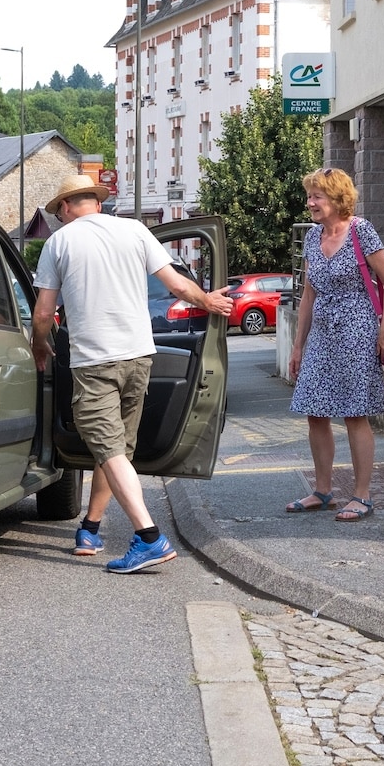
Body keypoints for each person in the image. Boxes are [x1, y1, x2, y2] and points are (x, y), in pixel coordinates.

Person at [30, 173, 234, 572]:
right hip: (140, 357)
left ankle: (149, 537)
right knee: (118, 449)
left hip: (94, 361)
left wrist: (40, 343)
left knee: (107, 449)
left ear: (68, 207)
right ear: (97, 203)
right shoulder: (136, 231)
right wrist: (208, 301)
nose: (59, 218)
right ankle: (90, 527)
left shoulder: (60, 242)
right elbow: (177, 286)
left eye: (58, 211)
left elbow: (42, 313)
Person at [286, 167, 384, 522]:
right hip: (321, 333)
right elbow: (309, 293)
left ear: (337, 198)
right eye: (309, 196)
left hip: (358, 331)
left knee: (355, 413)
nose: (311, 203)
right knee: (315, 411)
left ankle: (362, 496)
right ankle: (323, 492)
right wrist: (298, 345)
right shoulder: (311, 238)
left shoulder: (360, 230)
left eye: (317, 196)